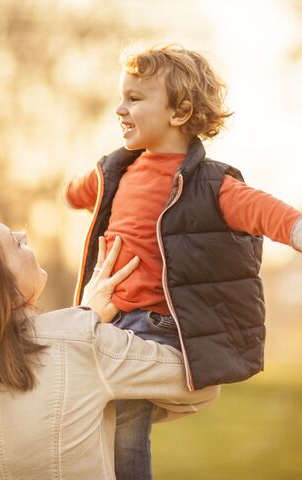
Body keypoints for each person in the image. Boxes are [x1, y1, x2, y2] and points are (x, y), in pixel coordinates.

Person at [63, 44, 302, 479]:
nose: (120, 108)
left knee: (126, 422)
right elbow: (83, 190)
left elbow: (262, 210)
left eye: (134, 99)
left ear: (180, 111)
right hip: (107, 317)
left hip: (153, 325)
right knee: (86, 409)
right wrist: (76, 190)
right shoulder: (117, 169)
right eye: (122, 97)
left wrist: (295, 228)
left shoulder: (209, 183)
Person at [0, 214, 219, 480]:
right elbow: (200, 381)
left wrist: (86, 321)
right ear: (0, 288)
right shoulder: (83, 345)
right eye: (14, 243)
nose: (23, 234)